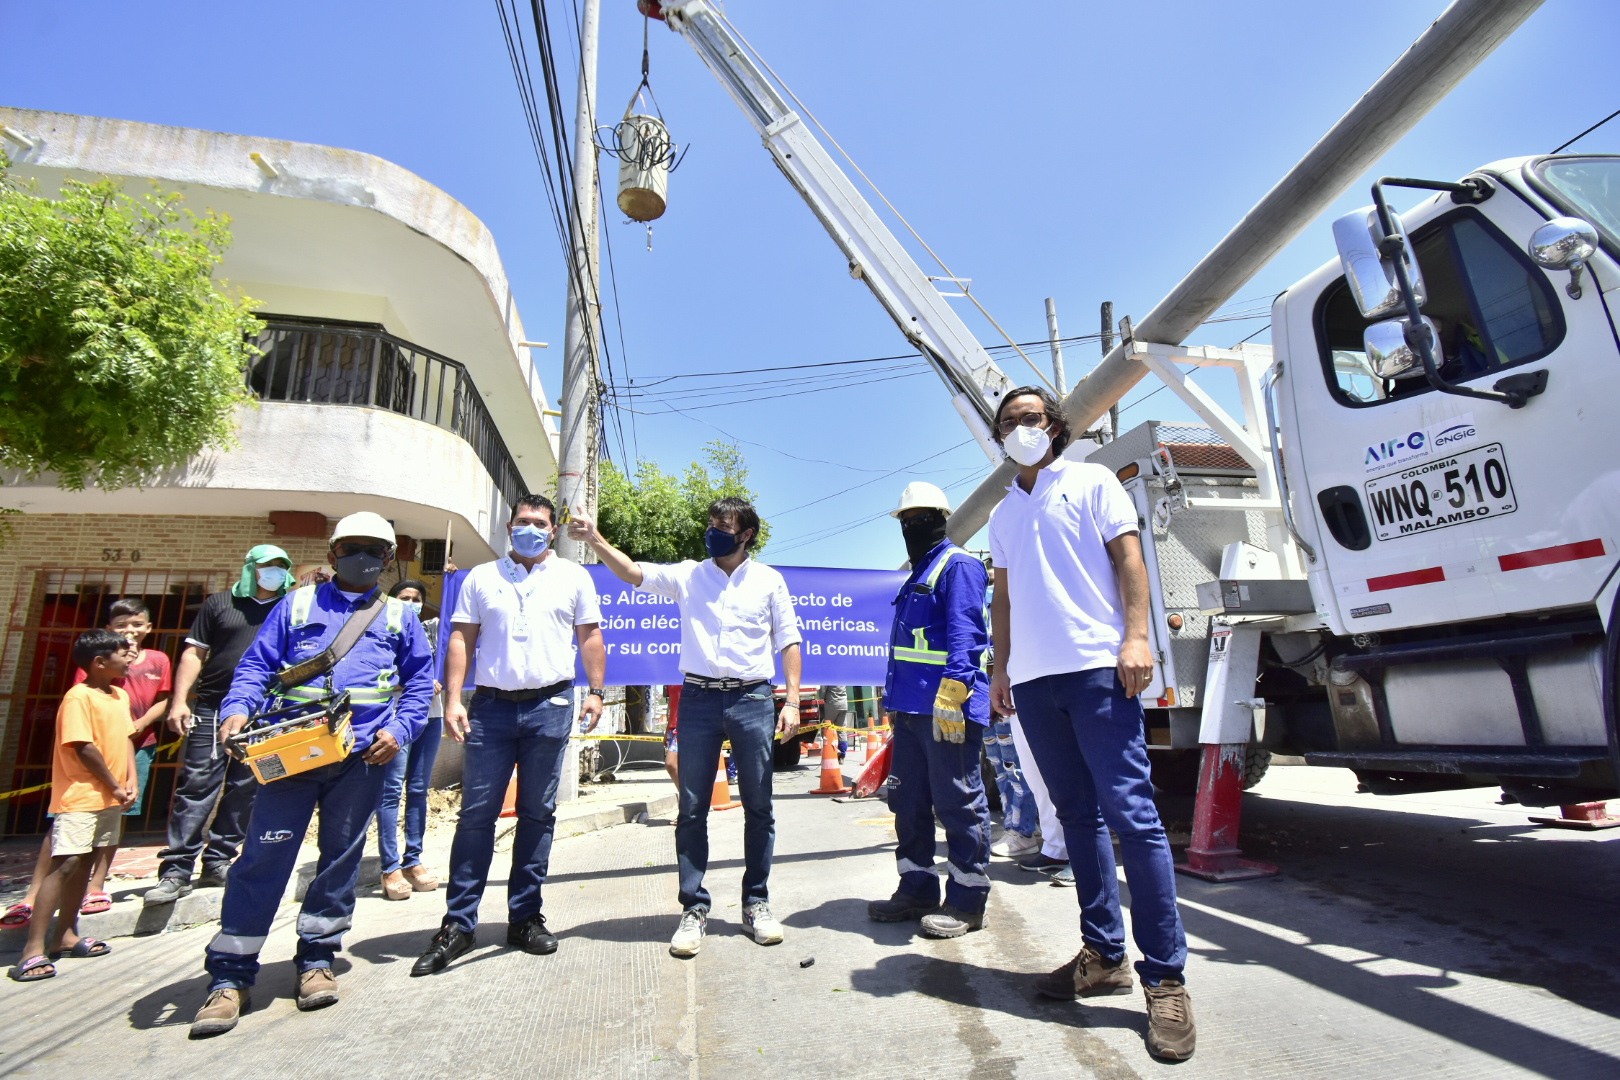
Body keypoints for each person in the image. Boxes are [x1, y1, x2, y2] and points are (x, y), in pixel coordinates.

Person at [987, 385, 1196, 1062]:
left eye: (1032, 418)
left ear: (1055, 427)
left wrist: (1135, 640)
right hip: (1035, 683)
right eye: (1011, 421)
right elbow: (1006, 598)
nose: (1022, 427)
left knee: (1133, 818)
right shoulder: (1003, 513)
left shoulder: (1093, 480)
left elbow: (1129, 560)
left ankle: (1165, 977)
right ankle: (1104, 955)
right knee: (1076, 819)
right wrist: (1000, 670)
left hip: (1099, 671)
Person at [189, 512, 434, 1037]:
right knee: (263, 856)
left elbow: (418, 684)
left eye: (374, 549)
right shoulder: (296, 604)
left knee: (340, 861)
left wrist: (400, 731)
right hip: (292, 755)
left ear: (388, 560)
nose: (362, 557)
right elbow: (257, 665)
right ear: (332, 553)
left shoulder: (399, 617)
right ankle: (230, 976)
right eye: (352, 547)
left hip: (361, 759)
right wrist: (237, 708)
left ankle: (317, 959)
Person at [570, 496, 802, 958]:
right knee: (692, 807)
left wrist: (792, 700)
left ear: (746, 534)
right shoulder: (690, 574)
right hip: (697, 699)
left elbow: (789, 640)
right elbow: (634, 572)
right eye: (711, 522)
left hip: (753, 697)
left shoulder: (769, 581)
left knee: (759, 805)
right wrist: (596, 539)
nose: (714, 530)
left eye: (724, 525)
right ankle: (693, 908)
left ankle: (756, 903)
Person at [411, 494, 605, 977]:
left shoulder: (573, 577)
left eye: (540, 523)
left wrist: (596, 692)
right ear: (509, 525)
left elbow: (590, 636)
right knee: (476, 816)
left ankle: (524, 917)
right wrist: (454, 699)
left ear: (553, 528)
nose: (531, 529)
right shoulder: (480, 577)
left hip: (551, 706)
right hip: (492, 710)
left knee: (539, 814)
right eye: (523, 521)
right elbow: (461, 639)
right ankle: (458, 925)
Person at [867, 482, 995, 938]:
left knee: (959, 800)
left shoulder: (957, 565)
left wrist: (956, 687)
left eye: (921, 518)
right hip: (912, 711)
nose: (913, 526)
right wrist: (894, 700)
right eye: (906, 520)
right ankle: (917, 886)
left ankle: (966, 900)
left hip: (947, 708)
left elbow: (967, 631)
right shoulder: (920, 571)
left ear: (943, 519)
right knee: (910, 802)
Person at [3, 599, 170, 930]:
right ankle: (33, 898)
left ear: (149, 627)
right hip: (88, 765)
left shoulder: (157, 660)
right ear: (108, 631)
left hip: (135, 749)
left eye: (137, 624)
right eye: (121, 626)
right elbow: (82, 739)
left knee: (112, 823)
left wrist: (136, 733)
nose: (130, 631)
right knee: (65, 834)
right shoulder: (91, 678)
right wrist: (115, 776)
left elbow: (161, 700)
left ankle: (95, 887)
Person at [146, 545, 294, 907]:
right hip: (213, 707)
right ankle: (177, 869)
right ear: (250, 568)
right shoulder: (219, 604)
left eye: (280, 567)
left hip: (265, 712)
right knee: (198, 784)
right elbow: (194, 653)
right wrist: (180, 699)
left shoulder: (290, 607)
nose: (273, 572)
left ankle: (219, 859)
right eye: (266, 566)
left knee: (247, 787)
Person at [9, 630, 137, 983]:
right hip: (80, 796)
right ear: (99, 662)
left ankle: (67, 934)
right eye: (122, 654)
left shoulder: (119, 696)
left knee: (87, 862)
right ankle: (32, 949)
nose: (129, 658)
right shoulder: (78, 698)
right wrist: (113, 783)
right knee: (64, 865)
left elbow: (125, 739)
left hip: (110, 798)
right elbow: (82, 746)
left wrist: (131, 782)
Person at [377, 578, 444, 901]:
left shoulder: (430, 631)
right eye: (404, 597)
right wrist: (408, 686)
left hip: (430, 717)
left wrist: (451, 579)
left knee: (419, 788)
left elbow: (456, 623)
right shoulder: (382, 629)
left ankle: (413, 860)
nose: (411, 602)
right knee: (390, 791)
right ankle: (389, 867)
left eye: (416, 598)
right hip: (394, 718)